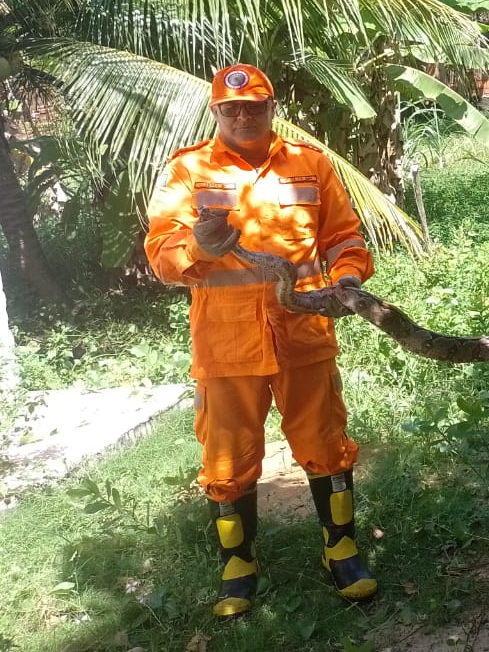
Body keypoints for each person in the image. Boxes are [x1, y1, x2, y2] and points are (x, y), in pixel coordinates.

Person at [145, 64, 378, 618]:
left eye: (255, 106)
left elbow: (346, 236)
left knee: (325, 444)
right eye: (232, 108)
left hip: (303, 333)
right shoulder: (188, 170)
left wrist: (346, 277)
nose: (243, 115)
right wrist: (200, 246)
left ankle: (340, 550)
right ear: (216, 112)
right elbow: (162, 257)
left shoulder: (311, 164)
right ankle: (238, 564)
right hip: (226, 346)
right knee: (227, 460)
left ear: (272, 107)